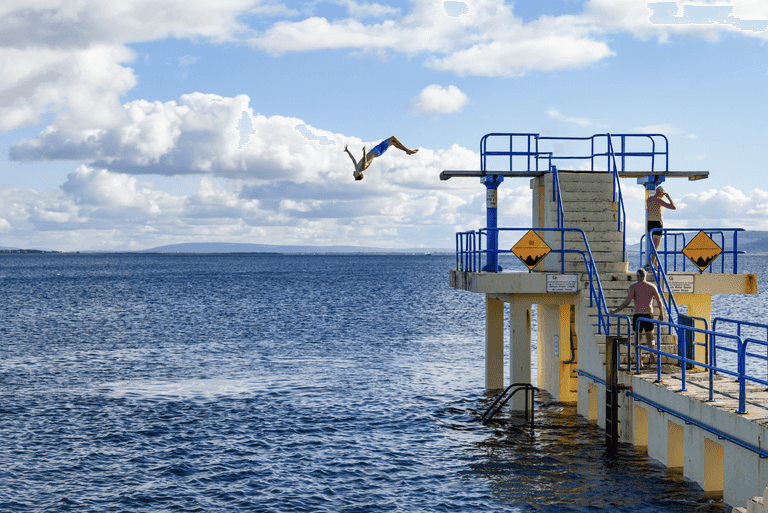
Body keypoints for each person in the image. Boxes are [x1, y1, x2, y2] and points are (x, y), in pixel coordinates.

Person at [610, 268, 666, 368]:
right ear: (645, 276)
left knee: (637, 340)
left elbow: (627, 302)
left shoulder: (634, 287)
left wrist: (615, 311)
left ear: (638, 277)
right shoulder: (652, 286)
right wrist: (661, 313)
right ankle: (651, 354)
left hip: (638, 315)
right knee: (650, 338)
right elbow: (659, 301)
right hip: (648, 315)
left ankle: (640, 362)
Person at [344, 136, 418, 181]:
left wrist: (347, 150)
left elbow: (352, 158)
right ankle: (407, 150)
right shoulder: (363, 167)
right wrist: (364, 151)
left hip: (375, 150)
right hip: (377, 151)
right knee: (393, 138)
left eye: (354, 176)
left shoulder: (357, 167)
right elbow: (364, 159)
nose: (353, 175)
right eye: (355, 176)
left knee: (393, 143)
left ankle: (407, 151)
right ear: (359, 174)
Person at [645, 186, 676, 267]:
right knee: (656, 247)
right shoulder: (659, 200)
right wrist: (668, 197)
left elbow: (648, 210)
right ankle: (652, 266)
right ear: (662, 193)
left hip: (649, 223)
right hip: (657, 223)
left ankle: (657, 265)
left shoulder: (649, 200)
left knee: (653, 246)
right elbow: (673, 207)